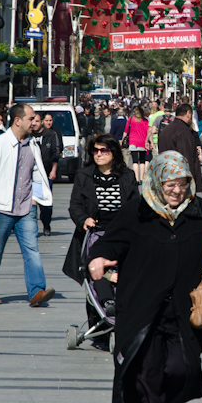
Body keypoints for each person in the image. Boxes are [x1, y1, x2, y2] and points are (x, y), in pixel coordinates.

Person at [87, 151, 202, 403]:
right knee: (148, 369)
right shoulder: (136, 212)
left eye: (182, 184)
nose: (177, 191)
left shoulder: (200, 211)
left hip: (185, 308)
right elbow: (109, 243)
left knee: (181, 368)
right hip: (142, 308)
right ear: (155, 182)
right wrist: (98, 258)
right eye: (169, 185)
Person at [62, 133, 139, 343]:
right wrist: (83, 219)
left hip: (121, 234)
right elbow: (75, 205)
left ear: (113, 153)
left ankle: (122, 315)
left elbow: (136, 205)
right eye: (95, 150)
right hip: (94, 233)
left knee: (126, 271)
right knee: (94, 272)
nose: (98, 154)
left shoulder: (127, 176)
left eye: (103, 150)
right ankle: (104, 310)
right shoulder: (84, 175)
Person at [0, 104, 54, 306]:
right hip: (1, 208)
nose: (34, 122)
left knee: (32, 250)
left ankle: (37, 292)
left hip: (26, 208)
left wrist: (36, 199)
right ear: (17, 120)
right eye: (30, 119)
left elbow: (37, 175)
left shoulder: (33, 146)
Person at [157, 104, 202, 192]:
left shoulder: (166, 130)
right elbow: (186, 158)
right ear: (188, 113)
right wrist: (190, 182)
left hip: (166, 175)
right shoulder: (183, 132)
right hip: (180, 180)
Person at [32, 111, 63, 235]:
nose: (34, 123)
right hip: (30, 175)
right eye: (32, 121)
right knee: (30, 204)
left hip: (46, 174)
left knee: (46, 203)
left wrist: (53, 170)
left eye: (37, 121)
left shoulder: (51, 134)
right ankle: (31, 228)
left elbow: (56, 153)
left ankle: (46, 224)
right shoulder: (28, 135)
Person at [125, 106, 151, 181]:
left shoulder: (130, 119)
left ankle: (136, 178)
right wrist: (150, 142)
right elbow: (148, 132)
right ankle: (142, 177)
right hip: (143, 142)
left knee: (135, 161)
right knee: (142, 161)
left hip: (133, 142)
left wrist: (123, 139)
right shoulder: (145, 121)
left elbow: (126, 130)